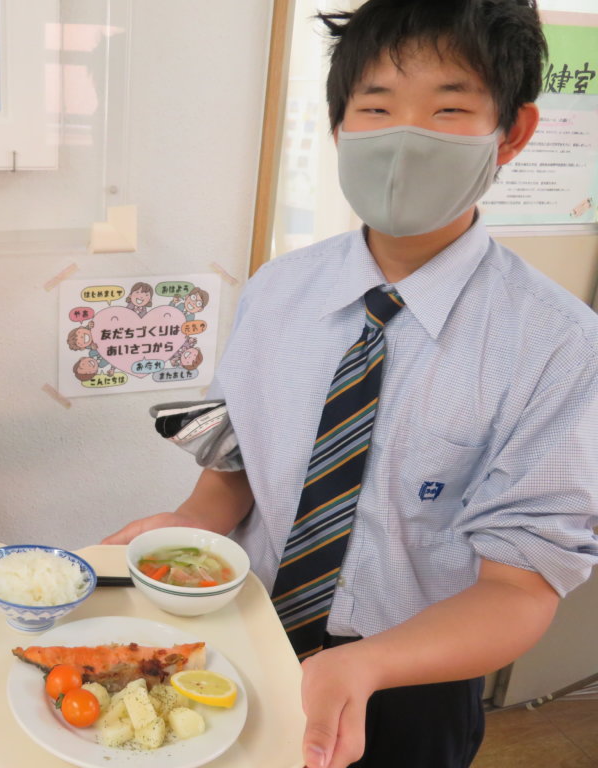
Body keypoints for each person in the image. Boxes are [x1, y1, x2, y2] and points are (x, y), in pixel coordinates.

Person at [104, 2, 598, 767]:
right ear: (338, 126)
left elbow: (520, 588)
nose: (405, 136)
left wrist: (367, 665)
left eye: (448, 109)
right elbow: (237, 464)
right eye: (377, 107)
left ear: (513, 132)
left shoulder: (557, 344)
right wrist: (189, 531)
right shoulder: (277, 290)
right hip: (245, 636)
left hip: (414, 678)